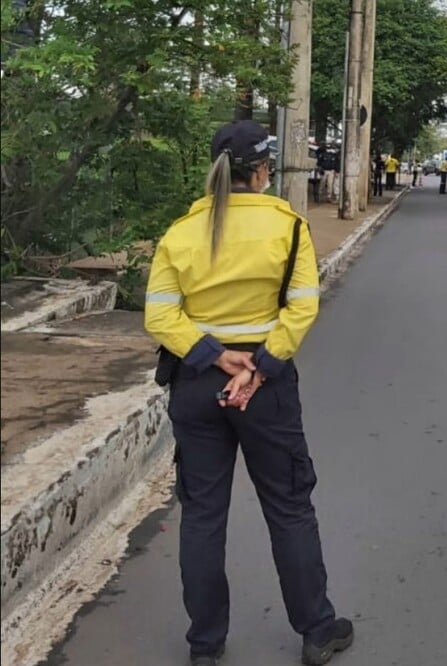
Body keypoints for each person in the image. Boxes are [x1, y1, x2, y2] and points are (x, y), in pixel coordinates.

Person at [143, 120, 353, 666]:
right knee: (288, 507)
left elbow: (160, 316)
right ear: (263, 171)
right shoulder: (288, 227)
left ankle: (205, 646)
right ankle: (316, 631)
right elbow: (302, 306)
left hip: (196, 385)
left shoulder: (181, 232)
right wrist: (258, 367)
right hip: (267, 387)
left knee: (203, 514)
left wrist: (213, 356)